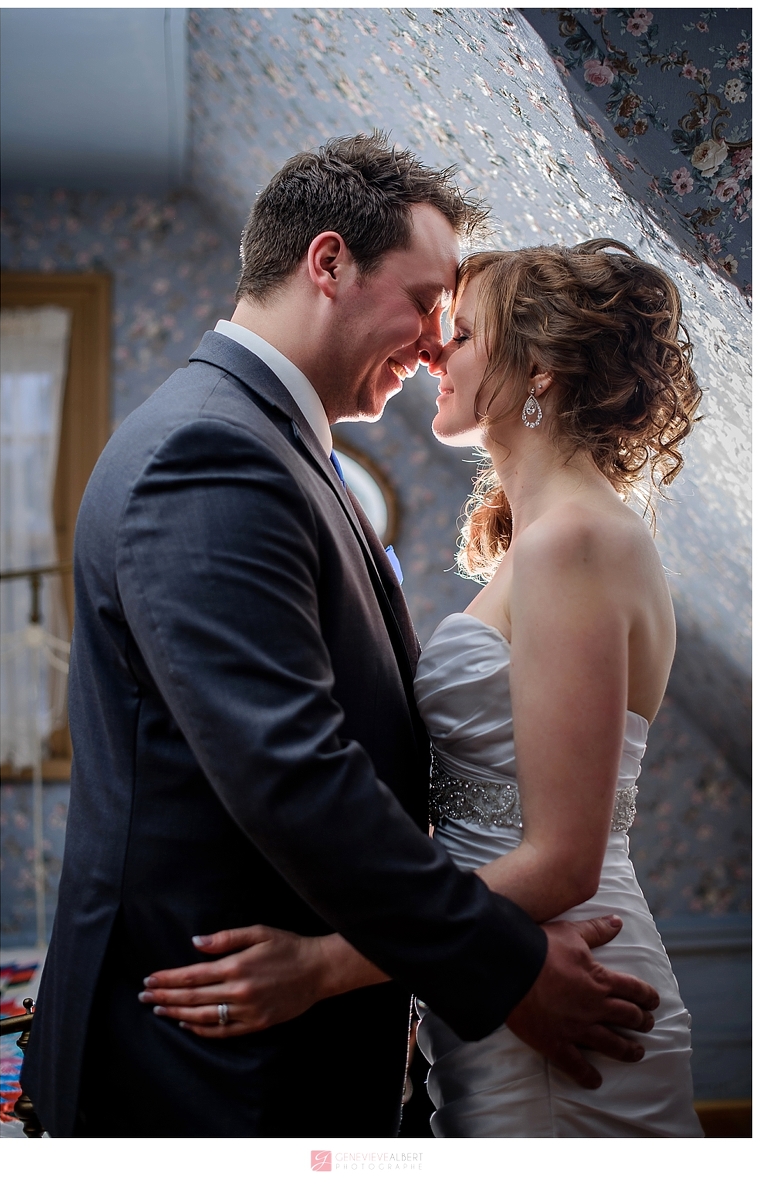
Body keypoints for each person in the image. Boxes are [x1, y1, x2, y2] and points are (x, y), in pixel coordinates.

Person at [22, 136, 659, 1138]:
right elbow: (294, 771)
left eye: (454, 315)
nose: (432, 339)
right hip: (208, 1066)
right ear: (328, 264)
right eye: (423, 299)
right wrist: (503, 964)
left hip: (293, 1048)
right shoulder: (211, 452)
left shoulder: (284, 450)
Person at [140, 239, 704, 1137]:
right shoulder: (552, 539)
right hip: (508, 962)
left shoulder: (576, 543)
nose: (435, 350)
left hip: (565, 972)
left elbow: (563, 860)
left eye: (465, 332)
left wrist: (321, 967)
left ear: (544, 372)